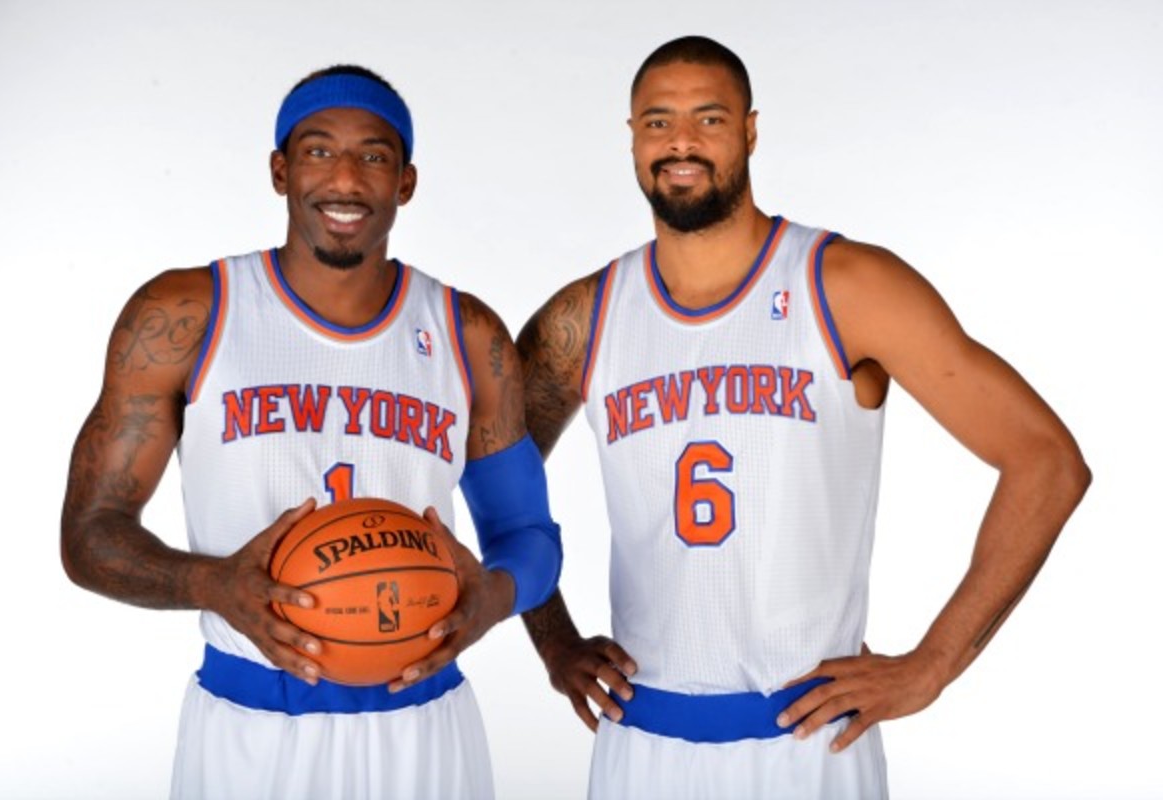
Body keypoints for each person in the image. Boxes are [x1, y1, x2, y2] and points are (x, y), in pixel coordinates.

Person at [517, 36, 1090, 799]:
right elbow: (495, 477)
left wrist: (934, 665)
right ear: (631, 137)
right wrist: (553, 639)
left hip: (810, 748)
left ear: (751, 130)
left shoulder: (846, 286)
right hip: (641, 745)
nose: (681, 140)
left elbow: (1047, 460)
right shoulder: (585, 317)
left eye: (708, 118)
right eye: (657, 122)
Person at [60, 64, 562, 800]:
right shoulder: (187, 315)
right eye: (320, 150)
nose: (347, 178)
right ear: (279, 169)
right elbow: (88, 534)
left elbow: (532, 536)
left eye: (374, 155)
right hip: (249, 722)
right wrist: (211, 582)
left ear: (406, 181)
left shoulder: (465, 334)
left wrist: (491, 597)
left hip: (422, 721)